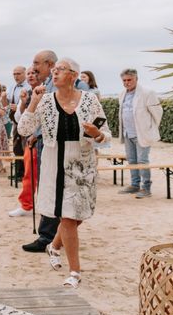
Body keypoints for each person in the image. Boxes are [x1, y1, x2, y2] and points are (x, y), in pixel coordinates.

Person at [18, 58, 111, 288]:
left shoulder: (90, 100)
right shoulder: (46, 101)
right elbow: (23, 129)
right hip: (55, 165)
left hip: (83, 166)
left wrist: (96, 133)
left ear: (73, 75)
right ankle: (75, 272)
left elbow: (106, 135)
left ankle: (55, 245)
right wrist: (33, 102)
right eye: (54, 69)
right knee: (68, 218)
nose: (54, 73)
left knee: (77, 216)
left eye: (60, 69)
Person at [22, 50, 61, 253]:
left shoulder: (62, 84)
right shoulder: (43, 86)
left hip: (57, 145)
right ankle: (49, 235)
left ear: (49, 63)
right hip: (43, 142)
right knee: (46, 187)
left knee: (52, 188)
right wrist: (36, 133)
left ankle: (48, 237)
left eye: (36, 63)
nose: (34, 67)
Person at [117, 68, 163, 198]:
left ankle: (146, 188)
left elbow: (158, 112)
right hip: (127, 134)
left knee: (143, 161)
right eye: (124, 80)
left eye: (129, 80)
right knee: (132, 161)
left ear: (136, 79)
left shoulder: (147, 93)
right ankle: (134, 185)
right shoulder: (122, 94)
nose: (127, 82)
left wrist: (150, 128)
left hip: (142, 134)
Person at [8, 66, 38, 217]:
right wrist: (23, 102)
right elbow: (20, 119)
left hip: (41, 138)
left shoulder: (48, 91)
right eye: (29, 73)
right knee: (29, 174)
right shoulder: (27, 92)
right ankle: (27, 205)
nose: (31, 75)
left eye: (34, 73)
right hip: (30, 139)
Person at [7, 66, 27, 179]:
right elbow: (8, 101)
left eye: (18, 73)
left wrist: (19, 107)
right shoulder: (12, 87)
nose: (16, 76)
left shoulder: (28, 86)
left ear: (24, 73)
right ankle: (18, 172)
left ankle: (25, 172)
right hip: (15, 119)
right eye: (14, 74)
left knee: (24, 145)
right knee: (16, 145)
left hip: (25, 119)